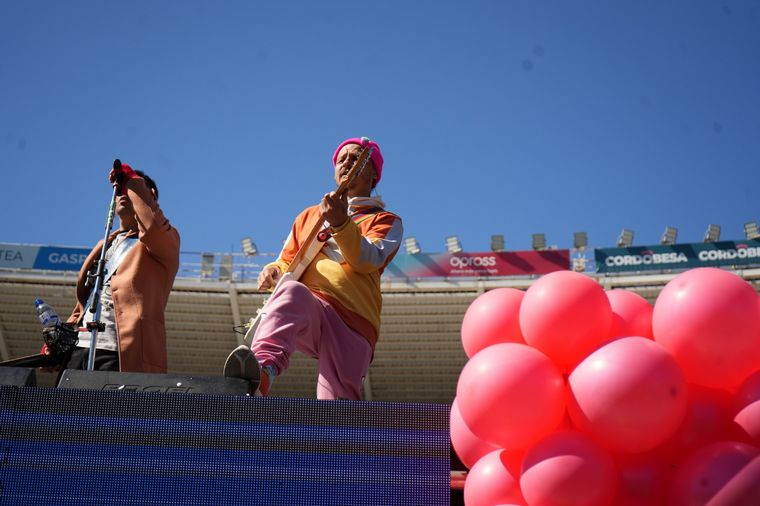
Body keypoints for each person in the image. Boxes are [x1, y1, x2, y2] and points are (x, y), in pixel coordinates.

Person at [224, 137, 403, 400]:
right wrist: (274, 269)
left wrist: (341, 223)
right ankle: (261, 373)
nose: (347, 162)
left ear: (373, 172)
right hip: (313, 306)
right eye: (342, 159)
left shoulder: (386, 220)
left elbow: (370, 258)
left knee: (336, 406)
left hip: (356, 321)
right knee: (291, 292)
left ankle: (338, 440)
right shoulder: (309, 216)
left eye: (356, 157)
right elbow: (287, 259)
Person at [46, 161, 180, 373]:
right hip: (78, 350)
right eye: (119, 190)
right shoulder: (105, 245)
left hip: (119, 351)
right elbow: (85, 304)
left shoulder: (163, 242)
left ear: (149, 194)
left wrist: (131, 179)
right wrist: (61, 339)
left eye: (128, 188)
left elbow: (152, 225)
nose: (122, 193)